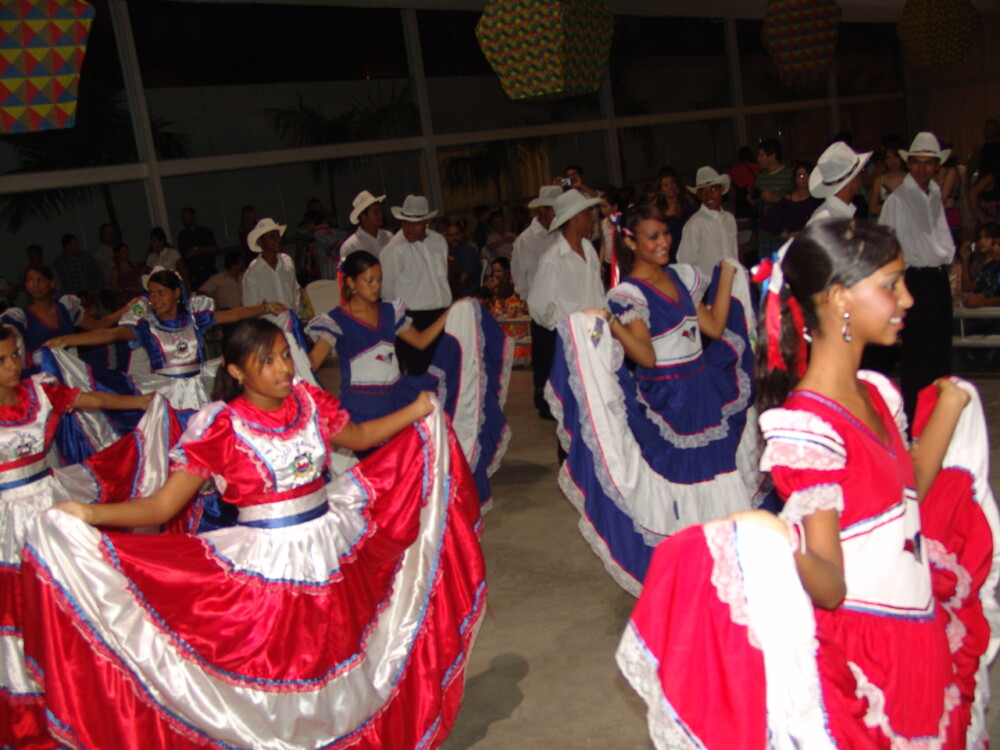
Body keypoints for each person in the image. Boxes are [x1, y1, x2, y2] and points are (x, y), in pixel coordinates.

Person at [20, 318, 487, 750]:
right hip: (269, 568)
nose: (284, 367)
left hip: (331, 548)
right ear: (236, 371)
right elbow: (163, 506)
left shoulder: (308, 403)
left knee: (341, 657)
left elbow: (362, 437)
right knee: (290, 673)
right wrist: (89, 513)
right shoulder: (220, 427)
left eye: (284, 354)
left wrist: (418, 411)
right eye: (268, 360)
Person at [616, 219, 995, 748]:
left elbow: (908, 491)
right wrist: (776, 538)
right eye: (891, 284)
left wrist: (949, 408)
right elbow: (831, 586)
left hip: (918, 629)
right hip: (870, 653)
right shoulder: (806, 428)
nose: (907, 298)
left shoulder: (876, 392)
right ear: (840, 299)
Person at [547, 204, 758, 593]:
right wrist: (612, 323)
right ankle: (698, 573)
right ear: (630, 242)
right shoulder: (628, 294)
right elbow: (645, 356)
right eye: (652, 237)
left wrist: (727, 273)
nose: (663, 243)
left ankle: (729, 566)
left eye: (665, 234)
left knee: (719, 473)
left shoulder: (681, 276)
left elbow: (713, 326)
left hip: (701, 390)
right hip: (670, 401)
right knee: (685, 482)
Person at [0, 326, 161, 749]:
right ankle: (29, 698)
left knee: (70, 595)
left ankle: (77, 687)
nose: (13, 364)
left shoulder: (40, 393)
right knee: (17, 606)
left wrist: (143, 402)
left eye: (14, 354)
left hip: (50, 506)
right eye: (2, 360)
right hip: (5, 523)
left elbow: (97, 401)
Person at [306, 251, 511, 505]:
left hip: (397, 398)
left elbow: (421, 341)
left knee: (411, 468)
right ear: (350, 282)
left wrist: (451, 312)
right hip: (360, 408)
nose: (376, 286)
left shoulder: (389, 312)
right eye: (369, 280)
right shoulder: (336, 321)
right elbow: (311, 365)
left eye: (379, 279)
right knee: (373, 477)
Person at [45, 268, 285, 427]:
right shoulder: (146, 328)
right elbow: (110, 333)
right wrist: (69, 340)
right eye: (152, 294)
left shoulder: (194, 320)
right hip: (166, 395)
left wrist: (265, 307)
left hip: (199, 390)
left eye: (161, 293)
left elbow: (233, 314)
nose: (156, 299)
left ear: (177, 293)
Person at [879, 132, 956, 423]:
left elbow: (940, 238)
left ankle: (938, 415)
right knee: (917, 353)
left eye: (928, 163)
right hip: (914, 280)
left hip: (937, 279)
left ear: (937, 165)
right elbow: (887, 245)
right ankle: (915, 418)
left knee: (939, 351)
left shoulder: (934, 195)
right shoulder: (898, 200)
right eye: (917, 162)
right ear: (909, 164)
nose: (922, 169)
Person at [526, 189, 606, 421]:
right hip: (569, 338)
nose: (592, 219)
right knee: (572, 399)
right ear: (575, 218)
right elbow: (539, 306)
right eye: (587, 214)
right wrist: (564, 327)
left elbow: (597, 293)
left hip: (594, 333)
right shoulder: (553, 259)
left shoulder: (589, 250)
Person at [381, 195, 453, 376]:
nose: (409, 228)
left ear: (427, 222)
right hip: (413, 320)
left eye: (415, 224)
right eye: (405, 223)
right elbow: (386, 292)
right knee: (419, 373)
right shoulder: (394, 249)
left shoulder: (438, 241)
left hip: (442, 315)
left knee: (445, 371)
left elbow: (443, 277)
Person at [677, 166, 740, 278]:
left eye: (713, 189)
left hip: (731, 282)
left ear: (721, 190)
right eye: (703, 191)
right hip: (707, 285)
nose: (709, 195)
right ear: (698, 195)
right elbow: (685, 262)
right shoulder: (695, 224)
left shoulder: (729, 219)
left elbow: (734, 253)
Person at [241, 217, 301, 314]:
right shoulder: (253, 273)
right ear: (260, 242)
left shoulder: (287, 262)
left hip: (290, 320)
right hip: (268, 323)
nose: (277, 240)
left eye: (278, 235)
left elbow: (295, 292)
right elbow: (250, 308)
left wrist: (297, 315)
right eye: (272, 237)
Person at [511, 185, 561, 299]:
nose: (558, 214)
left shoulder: (560, 235)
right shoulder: (525, 240)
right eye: (554, 210)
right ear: (543, 209)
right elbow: (519, 276)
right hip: (537, 301)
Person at [807, 141, 873, 225]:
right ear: (852, 180)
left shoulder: (835, 214)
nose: (861, 177)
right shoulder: (826, 221)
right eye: (860, 172)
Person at [759, 161, 821, 238]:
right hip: (795, 241)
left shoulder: (819, 198)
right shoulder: (787, 201)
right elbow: (766, 222)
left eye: (807, 174)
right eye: (800, 175)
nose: (804, 178)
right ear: (795, 179)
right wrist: (785, 234)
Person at [339, 190, 393, 261]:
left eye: (380, 211)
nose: (380, 215)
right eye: (375, 212)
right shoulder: (351, 246)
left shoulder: (388, 237)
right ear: (363, 216)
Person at [653, 167, 695, 259]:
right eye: (666, 185)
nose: (670, 187)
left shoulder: (688, 208)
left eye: (672, 183)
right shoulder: (657, 212)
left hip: (686, 253)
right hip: (666, 254)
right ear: (660, 190)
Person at [959, 221, 1000, 307]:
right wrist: (965, 260)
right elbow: (968, 287)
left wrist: (983, 301)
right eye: (980, 238)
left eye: (987, 237)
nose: (982, 241)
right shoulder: (988, 266)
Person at [177, 207, 219, 290]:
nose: (184, 219)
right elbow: (187, 255)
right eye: (183, 217)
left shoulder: (205, 232)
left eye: (186, 216)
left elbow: (213, 248)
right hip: (195, 273)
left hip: (209, 269)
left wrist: (196, 249)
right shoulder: (183, 236)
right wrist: (204, 249)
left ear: (193, 216)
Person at [52, 233, 102, 300]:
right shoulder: (59, 263)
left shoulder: (85, 257)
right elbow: (58, 284)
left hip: (90, 296)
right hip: (72, 300)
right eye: (75, 244)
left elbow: (98, 274)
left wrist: (97, 290)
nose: (78, 246)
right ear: (67, 246)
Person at [868, 144, 907, 217]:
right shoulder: (880, 181)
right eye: (889, 158)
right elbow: (872, 209)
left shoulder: (910, 179)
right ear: (885, 160)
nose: (893, 161)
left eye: (896, 157)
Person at [444, 220, 481, 298]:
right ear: (446, 237)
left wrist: (452, 292)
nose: (454, 238)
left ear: (461, 235)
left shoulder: (467, 250)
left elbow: (465, 275)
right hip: (453, 289)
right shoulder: (447, 250)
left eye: (456, 234)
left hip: (468, 289)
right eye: (451, 235)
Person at [110, 242, 144, 310]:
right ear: (118, 253)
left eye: (127, 251)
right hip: (124, 299)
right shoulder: (116, 270)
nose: (126, 253)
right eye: (123, 251)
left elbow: (143, 277)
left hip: (137, 295)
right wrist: (128, 288)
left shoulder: (133, 265)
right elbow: (113, 288)